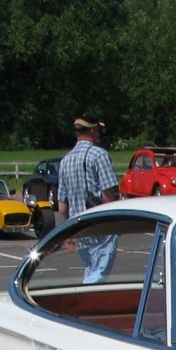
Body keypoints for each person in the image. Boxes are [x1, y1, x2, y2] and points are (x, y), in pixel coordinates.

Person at [55, 115, 120, 283]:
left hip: (78, 225)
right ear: (92, 130)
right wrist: (114, 221)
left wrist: (68, 232)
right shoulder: (99, 155)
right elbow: (108, 194)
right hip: (99, 223)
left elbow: (62, 204)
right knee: (100, 272)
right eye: (98, 129)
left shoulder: (65, 160)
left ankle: (88, 300)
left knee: (90, 267)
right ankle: (86, 301)